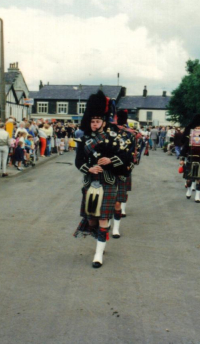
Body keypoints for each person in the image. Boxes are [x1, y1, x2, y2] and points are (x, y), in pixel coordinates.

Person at [73, 91, 129, 268]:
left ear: (104, 121)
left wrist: (110, 161)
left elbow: (127, 158)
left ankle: (98, 254)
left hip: (108, 182)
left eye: (97, 121)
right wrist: (88, 168)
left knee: (104, 219)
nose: (94, 124)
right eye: (92, 121)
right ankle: (100, 238)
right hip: (90, 183)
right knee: (92, 221)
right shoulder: (84, 139)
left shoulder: (114, 138)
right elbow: (78, 161)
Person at [111, 109, 138, 236]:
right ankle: (108, 222)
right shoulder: (108, 133)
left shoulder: (130, 135)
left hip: (123, 169)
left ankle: (116, 228)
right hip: (108, 170)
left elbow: (133, 152)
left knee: (118, 201)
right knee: (109, 200)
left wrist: (129, 166)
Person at [179, 114, 200, 201]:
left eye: (199, 128)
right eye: (196, 128)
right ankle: (189, 189)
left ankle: (197, 195)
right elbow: (184, 148)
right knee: (189, 179)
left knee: (198, 179)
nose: (198, 129)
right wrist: (182, 158)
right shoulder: (189, 137)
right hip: (190, 158)